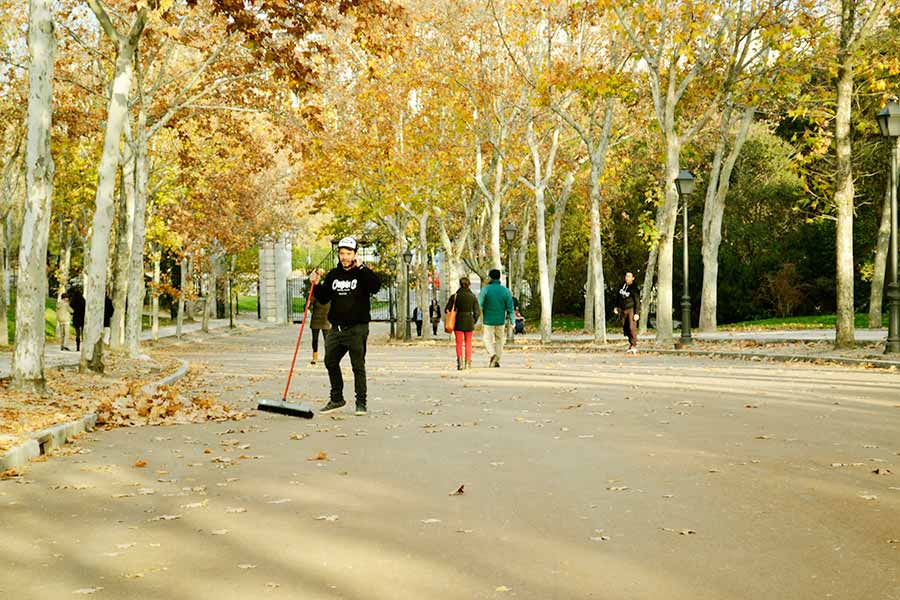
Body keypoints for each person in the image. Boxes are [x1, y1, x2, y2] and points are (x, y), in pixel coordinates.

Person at [310, 237, 380, 415]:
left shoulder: (362, 273)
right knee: (330, 362)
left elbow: (375, 286)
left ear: (355, 254)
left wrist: (362, 267)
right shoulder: (334, 274)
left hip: (357, 329)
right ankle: (337, 399)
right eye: (342, 253)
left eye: (349, 253)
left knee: (358, 366)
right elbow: (324, 297)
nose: (345, 257)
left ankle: (361, 403)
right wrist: (316, 284)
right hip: (336, 330)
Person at [478, 268, 514, 368]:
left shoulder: (485, 289)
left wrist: (477, 316)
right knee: (500, 340)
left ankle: (492, 354)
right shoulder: (505, 291)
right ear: (499, 277)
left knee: (486, 339)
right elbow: (510, 307)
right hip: (500, 320)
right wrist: (513, 321)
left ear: (490, 277)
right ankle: (496, 359)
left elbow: (479, 304)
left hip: (488, 320)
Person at [447, 277, 480, 370]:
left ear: (460, 284)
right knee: (468, 343)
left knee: (458, 343)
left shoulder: (455, 296)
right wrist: (474, 320)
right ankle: (468, 363)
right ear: (469, 284)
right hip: (469, 321)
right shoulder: (472, 296)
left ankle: (460, 363)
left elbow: (447, 309)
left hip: (458, 321)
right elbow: (477, 311)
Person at [613, 271, 641, 354]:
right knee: (626, 328)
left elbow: (637, 301)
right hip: (623, 309)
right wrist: (616, 307)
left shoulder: (634, 288)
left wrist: (637, 313)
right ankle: (630, 343)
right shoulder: (622, 286)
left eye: (629, 276)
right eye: (626, 276)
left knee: (632, 327)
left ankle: (634, 345)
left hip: (631, 309)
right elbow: (618, 297)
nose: (627, 278)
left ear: (633, 278)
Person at [308, 272, 331, 365]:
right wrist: (309, 299)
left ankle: (328, 357)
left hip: (326, 319)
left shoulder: (329, 292)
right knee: (315, 339)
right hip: (316, 319)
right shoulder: (314, 291)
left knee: (327, 340)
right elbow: (309, 304)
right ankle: (315, 357)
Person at [68, 287, 86, 352]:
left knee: (77, 333)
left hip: (76, 317)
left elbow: (71, 307)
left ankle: (77, 347)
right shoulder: (83, 299)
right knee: (83, 333)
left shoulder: (73, 300)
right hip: (82, 317)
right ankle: (84, 346)